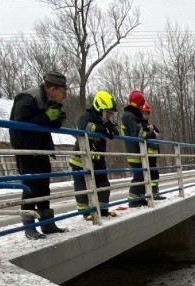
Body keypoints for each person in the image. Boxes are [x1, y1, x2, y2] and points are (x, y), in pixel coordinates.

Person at [9, 70, 68, 239]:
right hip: (27, 150)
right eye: (63, 91)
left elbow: (47, 122)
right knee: (30, 188)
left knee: (43, 186)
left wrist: (56, 118)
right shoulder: (28, 98)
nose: (64, 96)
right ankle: (29, 227)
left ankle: (47, 224)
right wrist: (46, 117)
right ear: (51, 88)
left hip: (40, 149)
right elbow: (19, 125)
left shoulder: (46, 99)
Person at [68, 90, 119, 220]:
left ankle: (103, 210)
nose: (109, 116)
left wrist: (106, 130)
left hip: (97, 159)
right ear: (99, 108)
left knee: (103, 184)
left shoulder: (104, 121)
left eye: (110, 113)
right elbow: (84, 127)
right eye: (107, 112)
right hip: (81, 158)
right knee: (82, 186)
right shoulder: (87, 116)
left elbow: (116, 131)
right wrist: (103, 130)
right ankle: (86, 213)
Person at [121, 90, 150, 208]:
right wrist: (152, 135)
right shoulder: (130, 116)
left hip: (137, 150)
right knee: (138, 175)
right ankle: (133, 200)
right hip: (133, 151)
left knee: (142, 175)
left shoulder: (131, 115)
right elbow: (139, 134)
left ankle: (140, 197)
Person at [141, 102, 166, 201]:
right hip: (147, 153)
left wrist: (153, 130)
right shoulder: (142, 125)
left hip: (153, 153)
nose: (146, 115)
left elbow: (158, 133)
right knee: (151, 173)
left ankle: (155, 192)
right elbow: (149, 134)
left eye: (147, 113)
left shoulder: (149, 125)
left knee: (154, 173)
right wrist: (152, 132)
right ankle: (151, 193)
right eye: (144, 113)